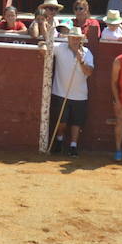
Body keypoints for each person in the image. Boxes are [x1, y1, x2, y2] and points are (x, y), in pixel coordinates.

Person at [47, 22, 93, 156]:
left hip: (80, 94)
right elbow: (47, 46)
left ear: (81, 39)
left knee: (76, 123)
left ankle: (73, 146)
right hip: (61, 92)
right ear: (68, 38)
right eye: (72, 38)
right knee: (62, 121)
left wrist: (81, 61)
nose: (75, 40)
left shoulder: (86, 53)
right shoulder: (60, 48)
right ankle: (60, 140)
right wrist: (42, 47)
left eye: (77, 38)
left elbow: (89, 72)